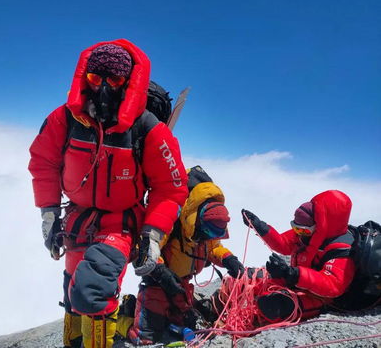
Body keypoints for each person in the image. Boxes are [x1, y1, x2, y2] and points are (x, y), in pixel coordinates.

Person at [28, 39, 188, 348]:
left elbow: (171, 187)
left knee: (92, 290)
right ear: (84, 77)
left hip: (120, 224)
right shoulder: (65, 119)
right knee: (73, 290)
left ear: (128, 82)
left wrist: (152, 234)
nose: (103, 87)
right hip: (76, 220)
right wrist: (49, 213)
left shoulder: (147, 129)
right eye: (94, 78)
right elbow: (43, 162)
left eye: (113, 79)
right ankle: (75, 343)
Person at [117, 165, 244, 344]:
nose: (207, 238)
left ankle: (144, 311)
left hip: (182, 287)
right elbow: (145, 249)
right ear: (197, 220)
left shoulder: (204, 227)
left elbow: (214, 248)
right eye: (207, 232)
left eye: (213, 235)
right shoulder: (171, 219)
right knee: (144, 338)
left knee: (185, 327)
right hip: (157, 285)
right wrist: (162, 273)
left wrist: (229, 259)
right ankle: (120, 317)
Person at [241, 190, 356, 322]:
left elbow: (333, 285)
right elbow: (284, 244)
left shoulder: (341, 249)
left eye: (303, 230)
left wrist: (294, 274)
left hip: (321, 298)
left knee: (273, 306)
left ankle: (247, 321)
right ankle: (215, 308)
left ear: (321, 225)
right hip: (296, 281)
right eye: (295, 228)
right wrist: (260, 227)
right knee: (244, 280)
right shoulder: (307, 232)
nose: (298, 233)